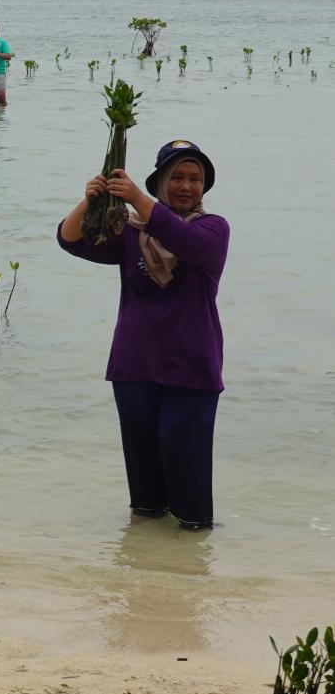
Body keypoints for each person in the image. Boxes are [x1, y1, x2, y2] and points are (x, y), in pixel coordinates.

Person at [58, 140, 228, 530]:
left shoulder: (212, 230)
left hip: (192, 368)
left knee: (187, 472)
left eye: (195, 179)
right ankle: (145, 565)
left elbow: (184, 242)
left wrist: (136, 198)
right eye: (177, 178)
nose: (186, 187)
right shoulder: (131, 231)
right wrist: (90, 200)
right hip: (134, 365)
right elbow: (70, 241)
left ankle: (193, 558)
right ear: (160, 183)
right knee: (145, 495)